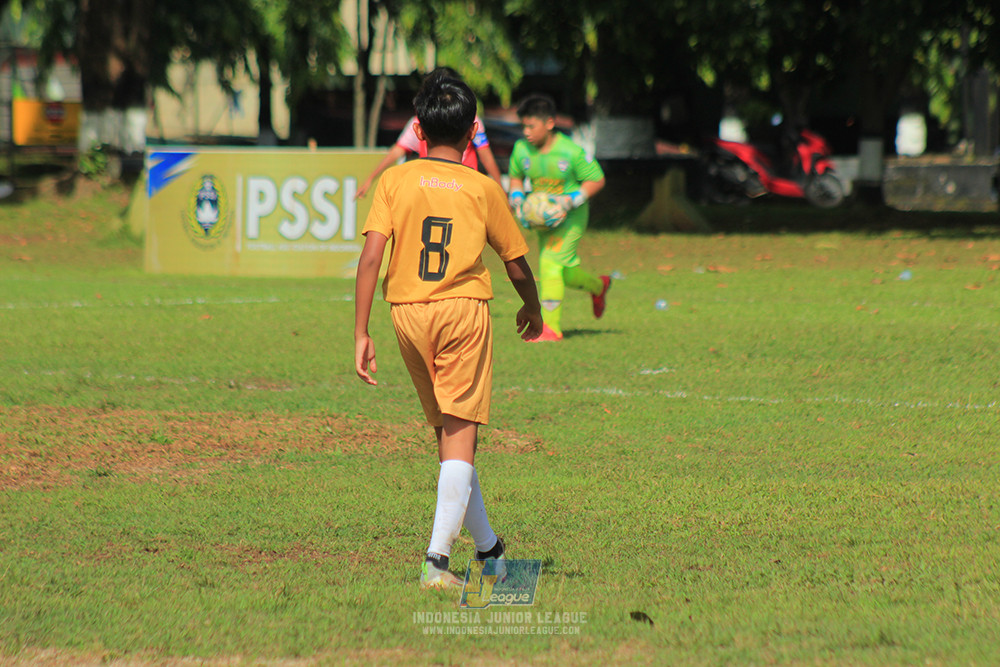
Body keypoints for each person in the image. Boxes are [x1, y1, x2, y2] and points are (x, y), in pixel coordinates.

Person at [354, 75, 543, 589]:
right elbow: (516, 263)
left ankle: (491, 552)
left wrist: (360, 332)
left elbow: (371, 257)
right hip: (461, 312)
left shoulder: (395, 180)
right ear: (474, 130)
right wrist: (534, 308)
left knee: (451, 441)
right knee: (461, 442)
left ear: (416, 130)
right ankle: (437, 563)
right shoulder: (483, 188)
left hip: (406, 314)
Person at [507, 94, 610, 342]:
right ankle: (598, 286)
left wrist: (568, 201)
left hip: (571, 218)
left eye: (532, 126)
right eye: (524, 126)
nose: (526, 132)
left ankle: (550, 329)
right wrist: (518, 200)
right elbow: (515, 177)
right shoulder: (522, 149)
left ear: (550, 123)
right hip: (544, 220)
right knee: (560, 271)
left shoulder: (571, 151)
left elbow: (597, 179)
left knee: (550, 264)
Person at [355, 67, 504, 199]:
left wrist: (500, 190)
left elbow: (486, 156)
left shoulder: (470, 120)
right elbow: (397, 151)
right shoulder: (421, 120)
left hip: (461, 188)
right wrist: (371, 178)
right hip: (434, 188)